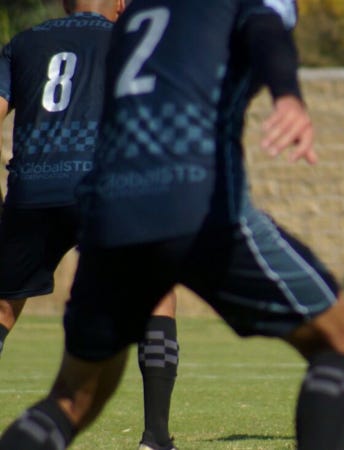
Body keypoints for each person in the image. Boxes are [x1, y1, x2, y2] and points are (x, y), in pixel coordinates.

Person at [0, 0, 344, 449]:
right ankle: (155, 437)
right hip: (196, 202)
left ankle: (150, 438)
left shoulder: (134, 18)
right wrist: (287, 93)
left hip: (109, 215)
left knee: (70, 400)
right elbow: (266, 28)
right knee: (342, 337)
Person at [0, 2, 180, 449]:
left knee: (2, 307)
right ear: (120, 4)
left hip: (32, 190)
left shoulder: (22, 45)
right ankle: (155, 438)